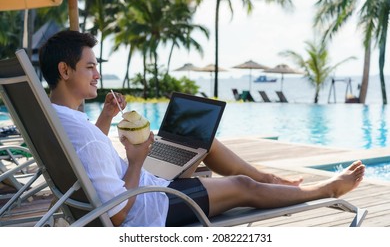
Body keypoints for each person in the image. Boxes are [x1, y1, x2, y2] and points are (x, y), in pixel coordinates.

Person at [38, 30, 365, 227]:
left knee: (199, 140)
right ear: (65, 70)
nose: (97, 73)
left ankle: (270, 179)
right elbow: (120, 215)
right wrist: (137, 158)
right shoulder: (75, 130)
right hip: (150, 205)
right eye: (90, 66)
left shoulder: (57, 117)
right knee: (241, 185)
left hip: (143, 184)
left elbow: (87, 153)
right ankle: (323, 190)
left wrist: (107, 119)